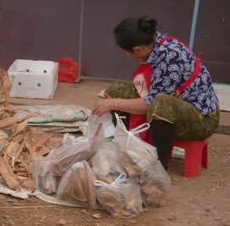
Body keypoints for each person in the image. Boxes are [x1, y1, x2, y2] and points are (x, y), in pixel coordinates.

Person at [92, 16, 219, 170]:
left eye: (127, 53)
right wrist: (113, 100)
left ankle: (158, 168)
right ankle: (125, 149)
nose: (127, 56)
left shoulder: (170, 56)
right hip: (177, 105)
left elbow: (151, 103)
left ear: (137, 49)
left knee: (161, 104)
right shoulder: (154, 43)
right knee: (118, 89)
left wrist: (113, 103)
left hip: (201, 119)